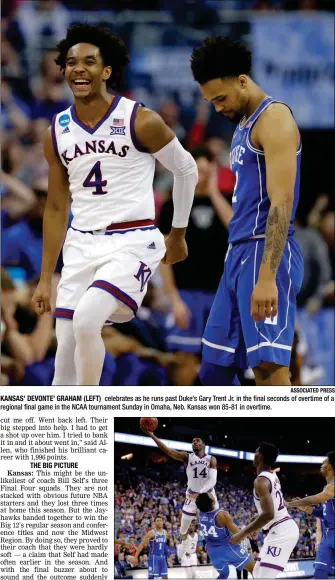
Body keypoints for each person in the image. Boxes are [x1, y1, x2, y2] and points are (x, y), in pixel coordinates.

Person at [31, 24, 198, 386]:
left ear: (106, 71)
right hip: (81, 244)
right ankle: (64, 438)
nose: (78, 68)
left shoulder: (139, 119)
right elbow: (57, 208)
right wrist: (46, 278)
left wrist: (178, 232)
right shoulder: (56, 131)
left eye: (89, 62)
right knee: (64, 359)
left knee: (89, 319)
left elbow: (187, 169)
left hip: (131, 241)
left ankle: (88, 415)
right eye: (71, 61)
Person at [190, 37, 304, 386]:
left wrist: (267, 276)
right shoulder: (243, 123)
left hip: (264, 253)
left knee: (269, 374)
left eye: (221, 98)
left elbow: (281, 202)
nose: (217, 108)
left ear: (242, 80)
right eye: (210, 102)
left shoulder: (275, 118)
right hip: (238, 253)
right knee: (213, 372)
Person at [159, 145, 234, 385]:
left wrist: (213, 192)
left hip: (219, 295)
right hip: (186, 294)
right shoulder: (174, 204)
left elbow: (237, 230)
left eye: (207, 170)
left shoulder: (227, 200)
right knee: (184, 361)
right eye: (197, 171)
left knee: (219, 360)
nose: (202, 176)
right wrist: (173, 298)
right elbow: (164, 256)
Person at [140, 426, 217, 548]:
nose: (194, 442)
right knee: (183, 527)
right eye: (193, 441)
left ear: (203, 444)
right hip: (192, 496)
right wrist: (152, 435)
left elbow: (213, 480)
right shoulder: (187, 457)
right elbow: (168, 450)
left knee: (215, 524)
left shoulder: (211, 459)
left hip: (208, 495)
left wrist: (201, 493)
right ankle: (184, 543)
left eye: (197, 440)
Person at [230, 442, 299, 578]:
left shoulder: (261, 480)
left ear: (260, 456)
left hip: (282, 530)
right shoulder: (272, 476)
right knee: (257, 572)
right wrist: (257, 518)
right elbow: (273, 507)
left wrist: (241, 534)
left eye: (256, 452)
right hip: (278, 529)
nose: (254, 455)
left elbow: (269, 514)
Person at [286, 451, 335, 579]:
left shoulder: (333, 487)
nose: (321, 465)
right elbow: (325, 514)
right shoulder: (327, 487)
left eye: (324, 463)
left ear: (330, 467)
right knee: (319, 573)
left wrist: (291, 504)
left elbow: (314, 499)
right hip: (327, 537)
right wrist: (307, 509)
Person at [196, 492, 255, 579]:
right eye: (210, 495)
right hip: (227, 548)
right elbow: (239, 533)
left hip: (212, 552)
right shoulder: (222, 515)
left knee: (223, 575)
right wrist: (250, 530)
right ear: (212, 501)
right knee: (256, 569)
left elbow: (201, 501)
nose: (212, 494)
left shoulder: (201, 514)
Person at [131, 515, 169, 579]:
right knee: (153, 577)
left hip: (162, 557)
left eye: (161, 521)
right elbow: (142, 545)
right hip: (154, 557)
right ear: (154, 523)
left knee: (165, 577)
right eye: (157, 521)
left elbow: (164, 545)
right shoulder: (151, 533)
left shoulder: (165, 532)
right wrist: (136, 557)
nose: (159, 522)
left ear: (163, 522)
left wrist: (168, 556)